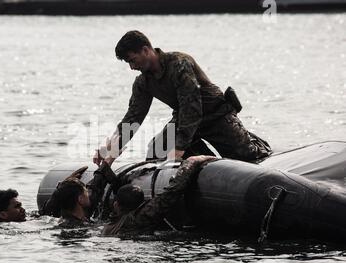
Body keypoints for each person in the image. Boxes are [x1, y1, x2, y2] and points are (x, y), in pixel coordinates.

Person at [93, 30, 271, 165]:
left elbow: (192, 108)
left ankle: (253, 143)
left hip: (215, 117)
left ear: (146, 50)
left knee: (247, 157)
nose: (132, 67)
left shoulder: (179, 63)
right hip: (185, 121)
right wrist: (111, 150)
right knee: (157, 150)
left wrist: (179, 149)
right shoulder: (143, 82)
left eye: (133, 60)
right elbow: (133, 118)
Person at [101, 155, 216, 236]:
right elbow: (172, 192)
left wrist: (106, 170)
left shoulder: (108, 227)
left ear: (116, 205)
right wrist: (191, 162)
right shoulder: (140, 217)